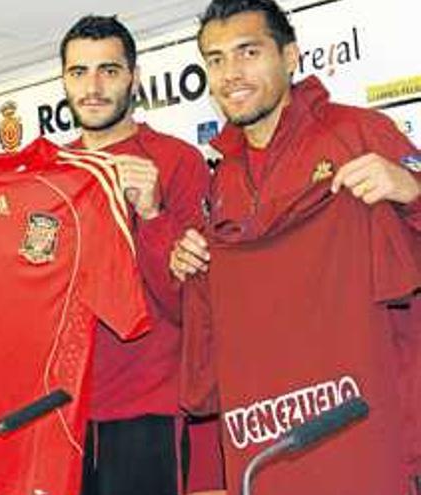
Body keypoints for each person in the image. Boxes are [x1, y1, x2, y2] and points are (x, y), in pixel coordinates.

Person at [169, 1, 420, 494]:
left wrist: (413, 190)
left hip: (376, 432)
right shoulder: (223, 178)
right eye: (215, 60)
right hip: (278, 445)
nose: (230, 74)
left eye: (247, 52)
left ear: (290, 57)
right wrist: (192, 261)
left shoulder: (357, 133)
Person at [59, 15, 223, 495]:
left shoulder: (177, 161)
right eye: (78, 72)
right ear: (64, 80)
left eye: (108, 71)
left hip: (146, 404)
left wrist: (152, 213)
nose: (92, 86)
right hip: (61, 408)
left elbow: (193, 302)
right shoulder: (50, 170)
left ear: (134, 76)